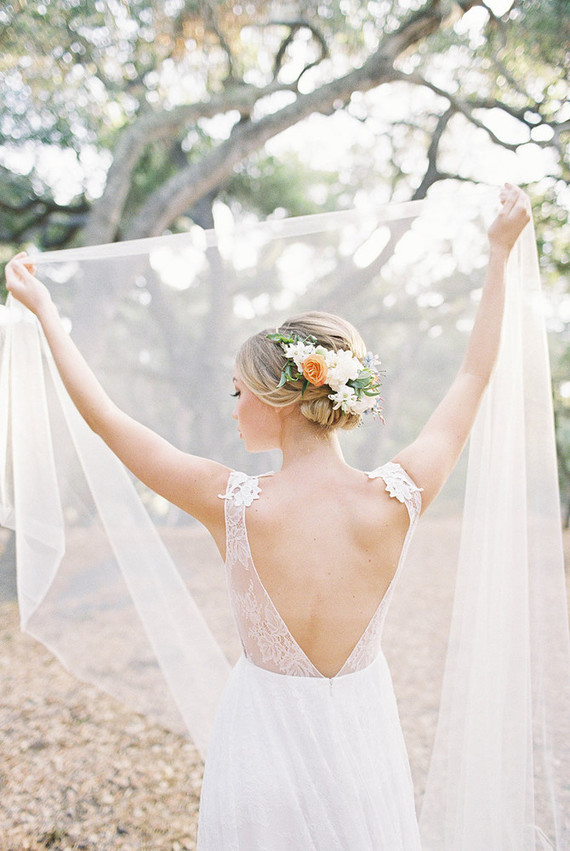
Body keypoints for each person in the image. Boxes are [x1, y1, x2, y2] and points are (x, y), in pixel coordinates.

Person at [5, 184, 531, 849]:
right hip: (365, 755)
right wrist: (497, 254)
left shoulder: (230, 501)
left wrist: (47, 312)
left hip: (262, 754)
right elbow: (473, 379)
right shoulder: (399, 494)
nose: (232, 407)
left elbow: (107, 420)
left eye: (238, 390)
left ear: (278, 401)